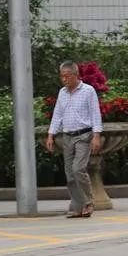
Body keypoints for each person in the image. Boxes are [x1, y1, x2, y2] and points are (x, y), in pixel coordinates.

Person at [45, 61, 103, 218]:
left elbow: (95, 114)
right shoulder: (62, 93)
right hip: (67, 136)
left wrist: (96, 135)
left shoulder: (88, 91)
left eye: (67, 76)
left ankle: (88, 202)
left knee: (78, 169)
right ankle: (77, 206)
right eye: (62, 76)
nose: (64, 79)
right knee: (70, 174)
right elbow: (57, 115)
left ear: (76, 75)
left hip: (84, 135)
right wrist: (51, 135)